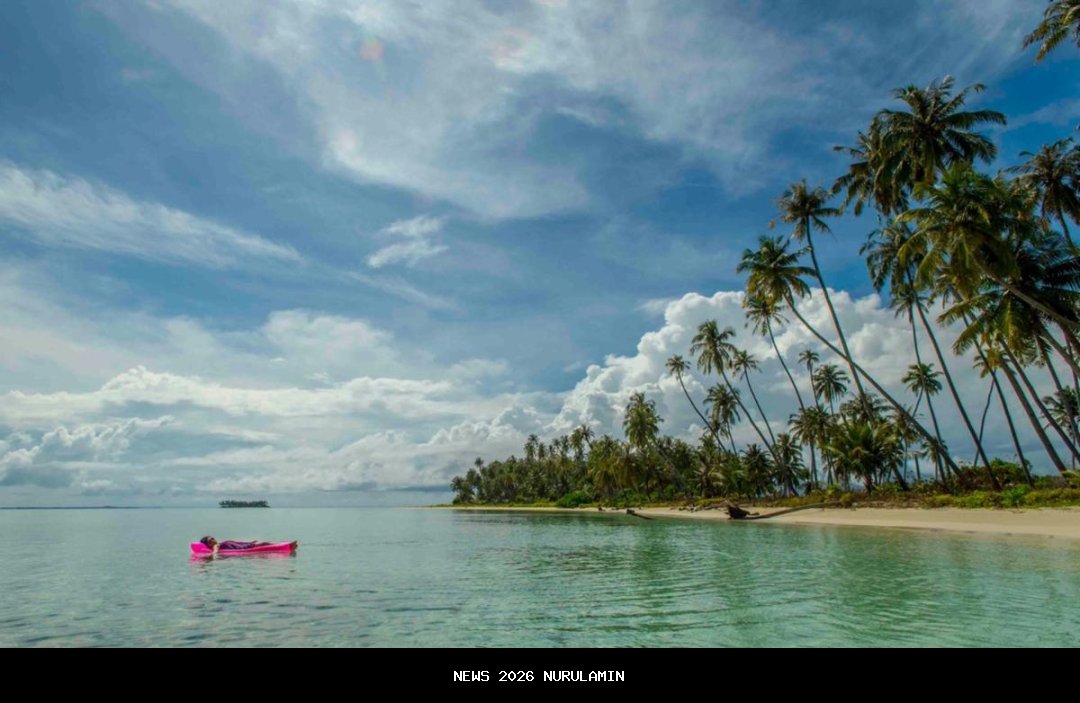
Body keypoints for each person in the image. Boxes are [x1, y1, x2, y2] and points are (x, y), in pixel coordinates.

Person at [199, 536, 296, 554]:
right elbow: (215, 552)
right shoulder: (216, 546)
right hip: (245, 548)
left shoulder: (219, 543)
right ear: (208, 544)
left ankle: (281, 545)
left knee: (262, 543)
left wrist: (249, 542)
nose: (213, 539)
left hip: (246, 545)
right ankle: (283, 546)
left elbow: (236, 543)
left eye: (213, 537)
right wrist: (213, 555)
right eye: (210, 539)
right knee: (263, 543)